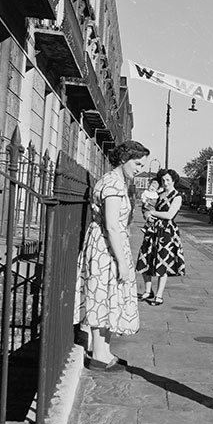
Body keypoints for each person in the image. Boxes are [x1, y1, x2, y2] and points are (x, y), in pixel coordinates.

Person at [74, 140, 150, 372]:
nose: (139, 169)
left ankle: (104, 351)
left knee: (108, 296)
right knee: (102, 295)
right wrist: (122, 262)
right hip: (106, 248)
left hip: (108, 245)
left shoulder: (117, 181)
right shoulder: (113, 184)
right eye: (137, 163)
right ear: (123, 159)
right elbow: (113, 225)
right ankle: (98, 354)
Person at [136, 168, 185, 306]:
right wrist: (146, 214)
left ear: (174, 180)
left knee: (162, 262)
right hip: (152, 230)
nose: (165, 182)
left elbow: (169, 215)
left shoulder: (177, 196)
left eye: (168, 180)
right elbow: (147, 208)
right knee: (146, 258)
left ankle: (159, 295)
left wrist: (153, 213)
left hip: (166, 232)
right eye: (163, 180)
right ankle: (147, 291)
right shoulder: (158, 194)